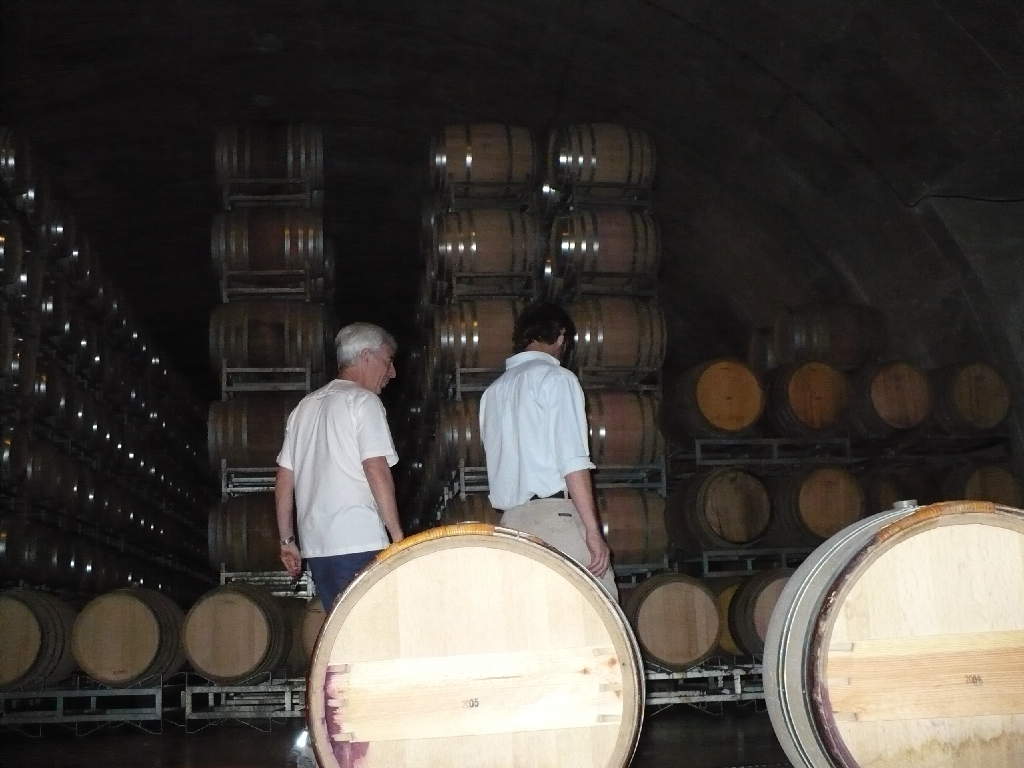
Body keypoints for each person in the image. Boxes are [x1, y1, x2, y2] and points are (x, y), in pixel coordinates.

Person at [479, 301, 617, 598]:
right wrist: (593, 531)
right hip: (555, 521)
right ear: (561, 337)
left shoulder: (492, 393)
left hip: (512, 525)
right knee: (600, 610)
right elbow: (572, 461)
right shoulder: (557, 379)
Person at [275, 322, 404, 611]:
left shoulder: (304, 408)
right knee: (372, 627)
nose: (392, 372)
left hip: (318, 549)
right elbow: (375, 469)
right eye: (388, 361)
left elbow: (284, 479)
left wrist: (287, 540)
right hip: (360, 542)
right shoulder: (363, 401)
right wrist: (397, 538)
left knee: (342, 629)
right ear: (366, 356)